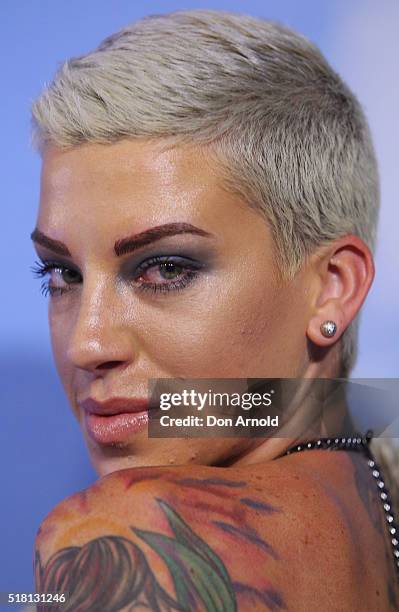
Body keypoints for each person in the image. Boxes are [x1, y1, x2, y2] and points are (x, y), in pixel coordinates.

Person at [30, 9, 398, 610]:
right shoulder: (376, 509)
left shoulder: (135, 533)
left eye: (166, 269)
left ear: (332, 286)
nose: (85, 344)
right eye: (62, 274)